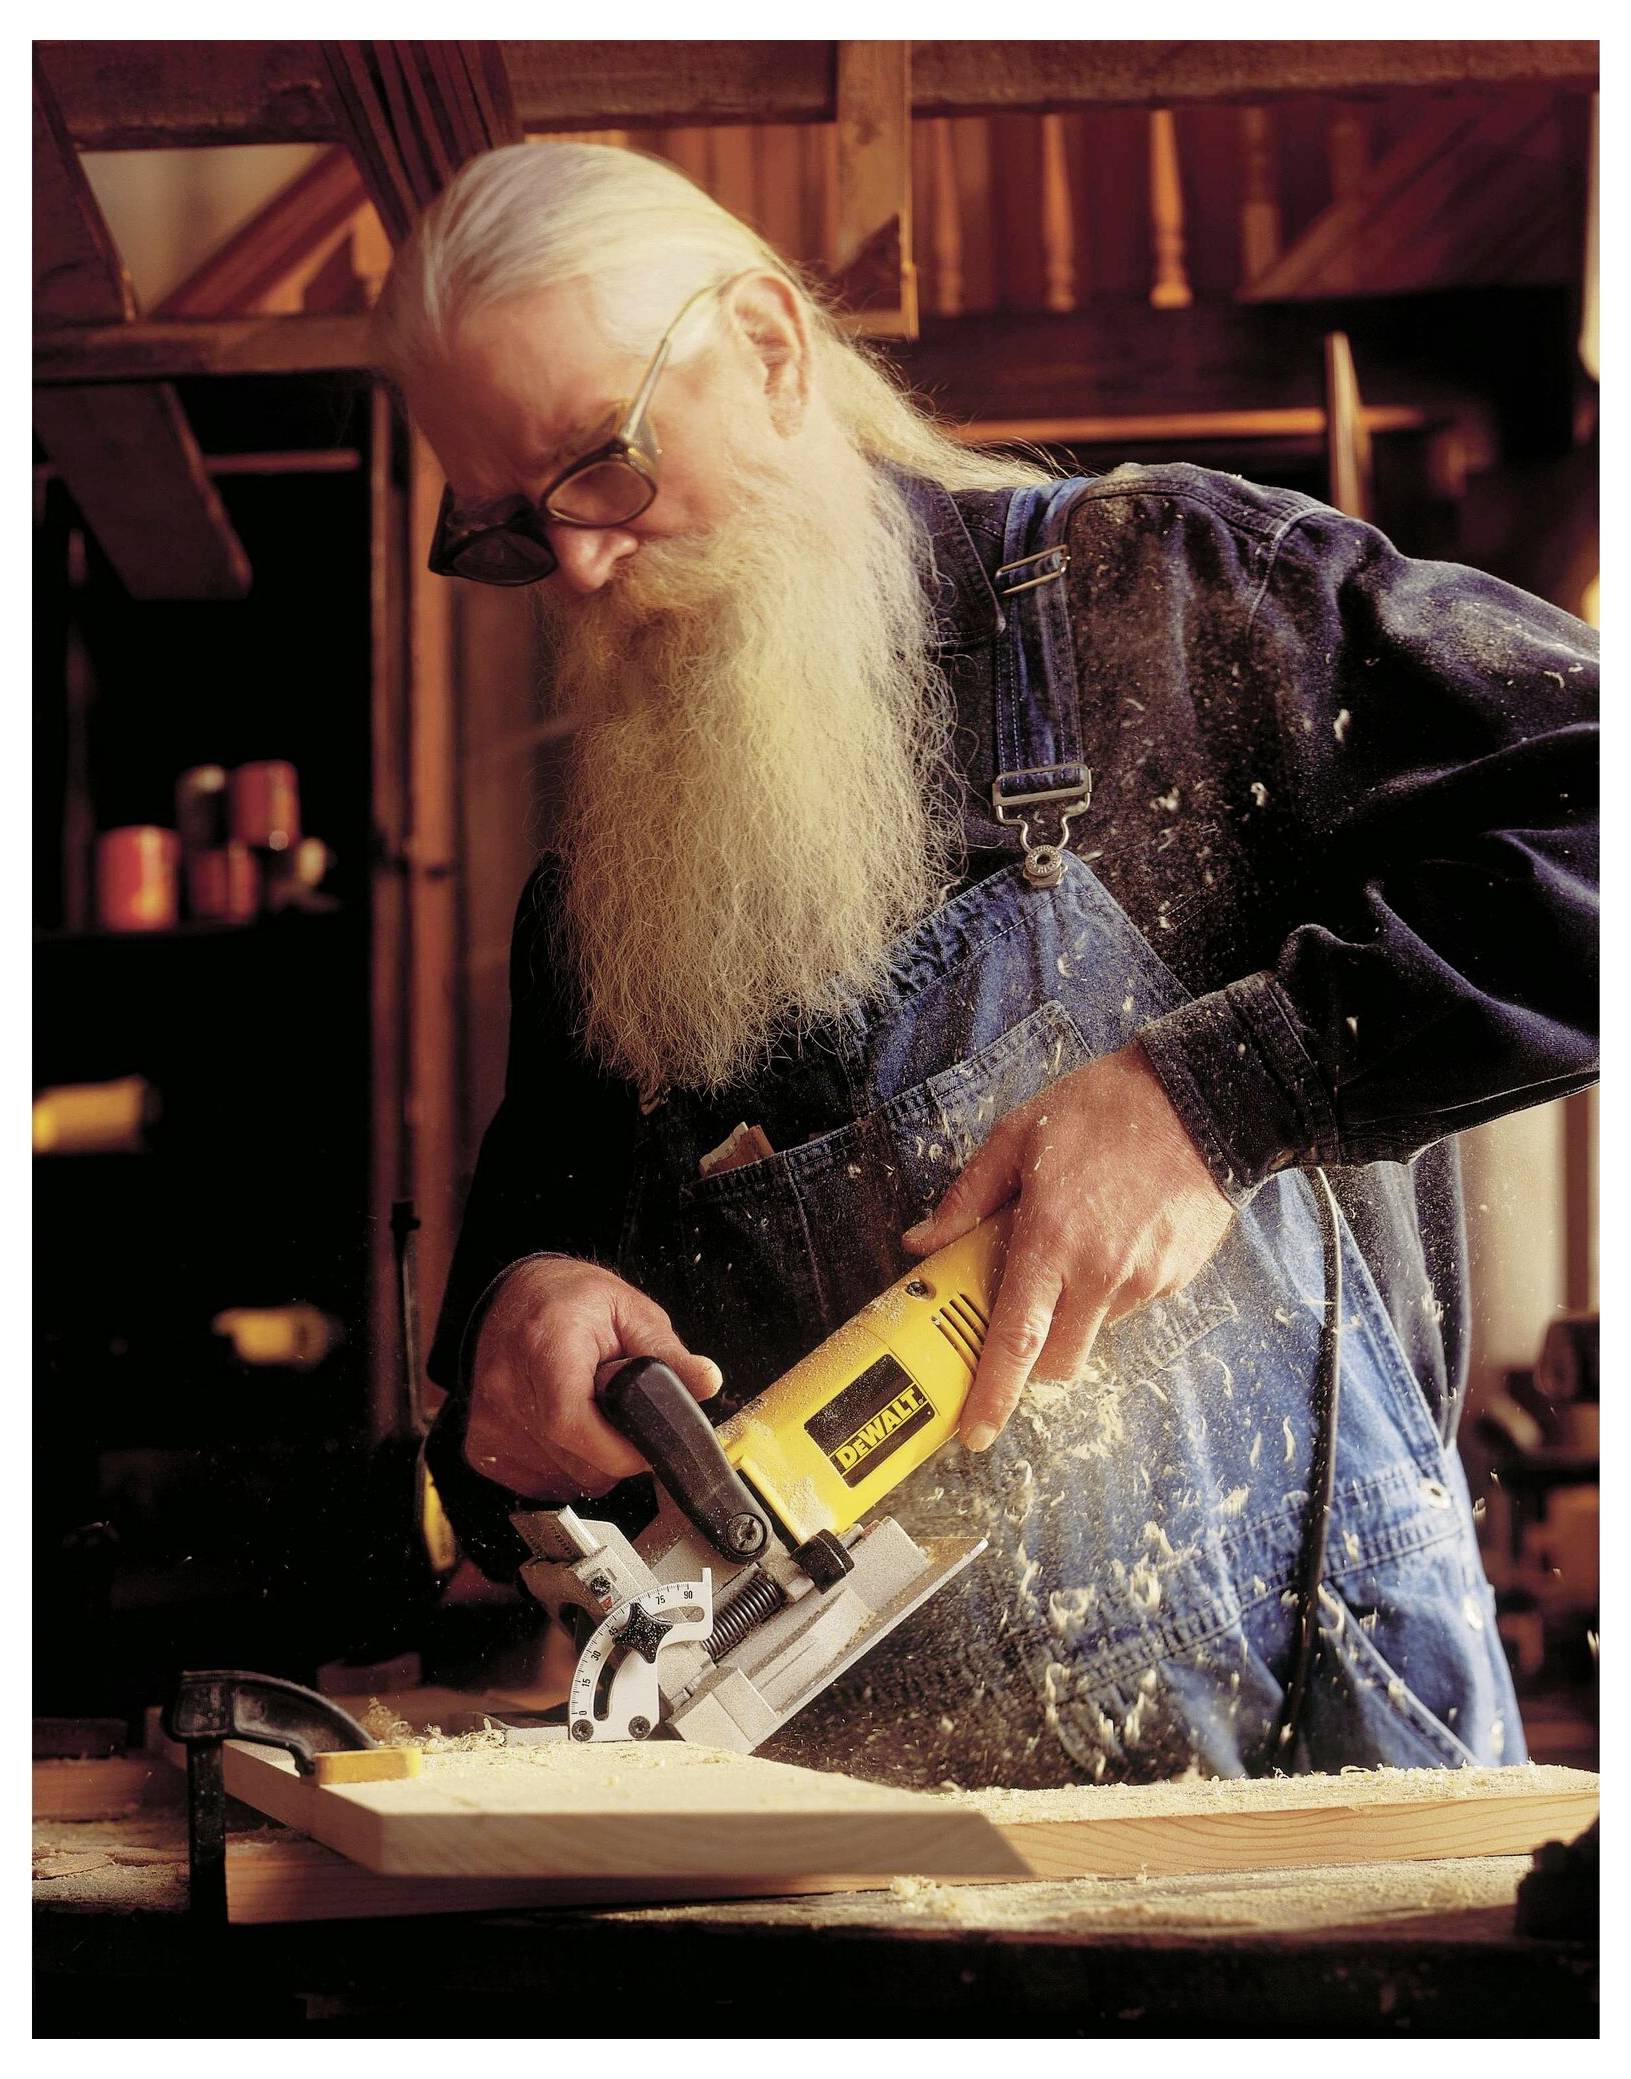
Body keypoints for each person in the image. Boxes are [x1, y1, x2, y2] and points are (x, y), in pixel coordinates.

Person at [371, 140, 1598, 1788]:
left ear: (770, 350)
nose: (579, 564)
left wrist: (1221, 1096)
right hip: (854, 1849)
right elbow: (509, 1414)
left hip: (1315, 1802)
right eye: (516, 530)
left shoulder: (1162, 602)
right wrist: (519, 1343)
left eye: (601, 465)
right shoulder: (603, 901)